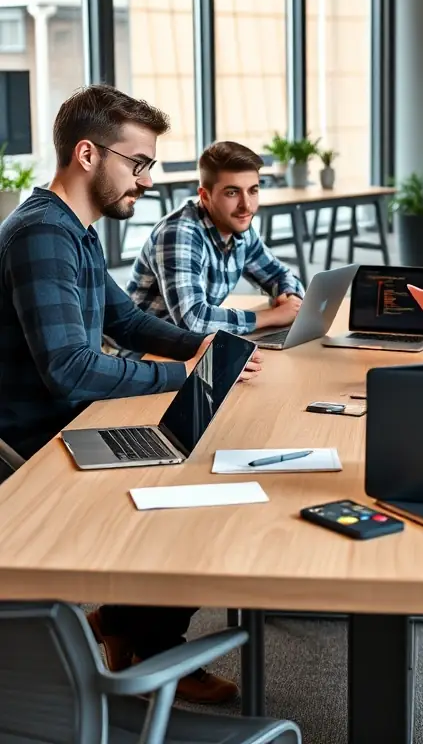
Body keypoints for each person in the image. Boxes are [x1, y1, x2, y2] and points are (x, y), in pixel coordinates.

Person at [0, 85, 260, 705]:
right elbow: (69, 368)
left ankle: (125, 629)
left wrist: (202, 348)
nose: (147, 180)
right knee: (200, 497)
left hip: (69, 424)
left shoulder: (75, 230)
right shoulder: (42, 235)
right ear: (88, 155)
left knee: (210, 458)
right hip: (38, 447)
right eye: (137, 163)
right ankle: (146, 641)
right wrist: (188, 376)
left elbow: (127, 321)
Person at [127, 140, 304, 335]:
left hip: (187, 346)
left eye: (253, 190)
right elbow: (193, 319)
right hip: (141, 352)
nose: (246, 205)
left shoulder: (239, 229)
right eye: (232, 192)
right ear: (205, 196)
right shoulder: (179, 234)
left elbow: (279, 275)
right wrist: (273, 316)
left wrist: (289, 297)